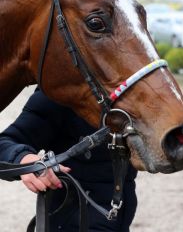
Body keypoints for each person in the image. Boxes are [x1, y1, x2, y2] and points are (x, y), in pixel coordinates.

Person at [0, 88, 137, 231]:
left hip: (116, 219)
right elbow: (5, 143)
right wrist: (24, 159)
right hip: (67, 221)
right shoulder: (59, 88)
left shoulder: (140, 86)